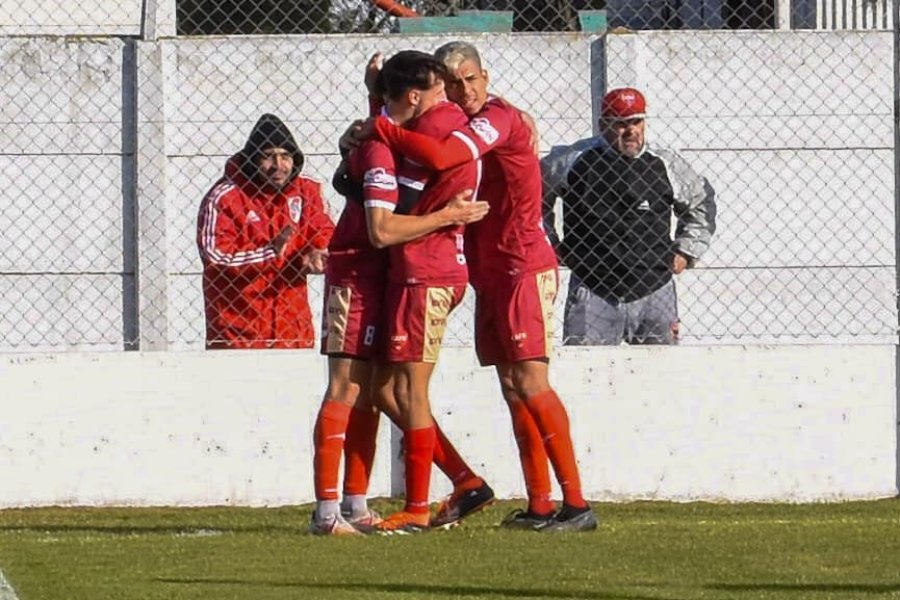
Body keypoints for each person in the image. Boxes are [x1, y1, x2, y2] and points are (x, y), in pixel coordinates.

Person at [362, 41, 598, 532]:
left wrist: (379, 124)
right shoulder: (459, 123)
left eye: (471, 78)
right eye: (453, 82)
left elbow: (444, 153)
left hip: (522, 265)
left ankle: (577, 504)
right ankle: (538, 505)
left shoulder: (496, 119)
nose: (464, 89)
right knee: (513, 389)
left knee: (531, 383)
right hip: (489, 270)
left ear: (486, 77)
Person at [310, 51, 492, 535]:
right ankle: (335, 512)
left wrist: (374, 114)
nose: (449, 96)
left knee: (379, 392)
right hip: (361, 272)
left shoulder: (408, 132)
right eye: (439, 88)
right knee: (359, 389)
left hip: (402, 273)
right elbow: (380, 227)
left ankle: (372, 505)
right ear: (415, 96)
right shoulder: (388, 143)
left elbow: (417, 174)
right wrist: (447, 217)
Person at [367, 51, 495, 535]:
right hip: (422, 268)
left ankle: (417, 507)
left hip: (429, 269)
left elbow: (394, 209)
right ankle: (464, 480)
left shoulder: (437, 126)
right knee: (385, 387)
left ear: (414, 94)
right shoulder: (439, 122)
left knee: (409, 389)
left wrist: (376, 123)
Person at [543, 87, 717, 345]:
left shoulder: (665, 163)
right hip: (593, 287)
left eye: (637, 122)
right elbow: (530, 198)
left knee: (662, 374)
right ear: (603, 125)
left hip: (654, 287)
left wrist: (688, 251)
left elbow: (701, 201)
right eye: (621, 124)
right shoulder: (572, 161)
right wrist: (548, 245)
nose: (631, 131)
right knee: (586, 372)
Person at [197, 113, 334, 349]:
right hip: (238, 331)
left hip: (292, 330)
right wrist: (269, 254)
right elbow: (215, 256)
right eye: (268, 157)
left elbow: (323, 230)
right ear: (252, 159)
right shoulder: (225, 197)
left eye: (285, 156)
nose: (278, 166)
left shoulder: (306, 191)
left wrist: (317, 253)